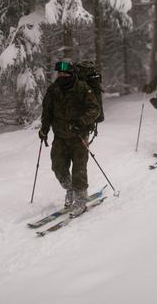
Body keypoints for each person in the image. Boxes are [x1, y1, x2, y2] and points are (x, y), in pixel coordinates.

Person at [39, 60, 101, 216]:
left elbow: (95, 109)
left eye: (65, 73)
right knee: (58, 167)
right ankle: (70, 189)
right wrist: (44, 129)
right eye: (59, 73)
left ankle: (81, 198)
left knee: (79, 168)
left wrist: (81, 121)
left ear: (72, 74)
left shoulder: (82, 88)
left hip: (79, 135)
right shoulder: (53, 90)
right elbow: (47, 111)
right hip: (60, 135)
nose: (62, 76)